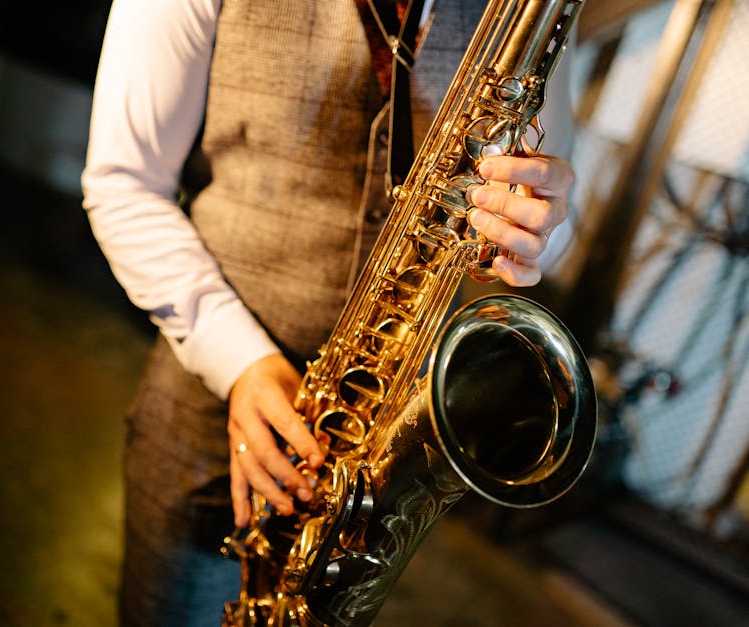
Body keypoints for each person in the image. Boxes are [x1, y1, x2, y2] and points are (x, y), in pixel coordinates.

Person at [81, 1, 576, 625]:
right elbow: (122, 184)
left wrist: (539, 232)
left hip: (369, 467)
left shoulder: (533, 11)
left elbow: (552, 221)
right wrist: (241, 362)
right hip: (203, 434)